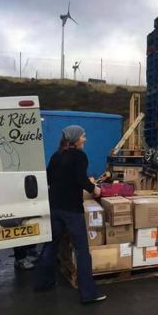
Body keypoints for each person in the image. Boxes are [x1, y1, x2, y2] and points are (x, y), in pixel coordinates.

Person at [33, 125, 106, 304]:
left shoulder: (57, 156)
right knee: (82, 250)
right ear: (75, 139)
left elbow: (49, 178)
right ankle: (88, 293)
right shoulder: (79, 156)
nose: (85, 139)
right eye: (83, 136)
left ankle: (43, 283)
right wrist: (94, 189)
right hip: (72, 210)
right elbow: (80, 179)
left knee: (51, 245)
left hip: (55, 207)